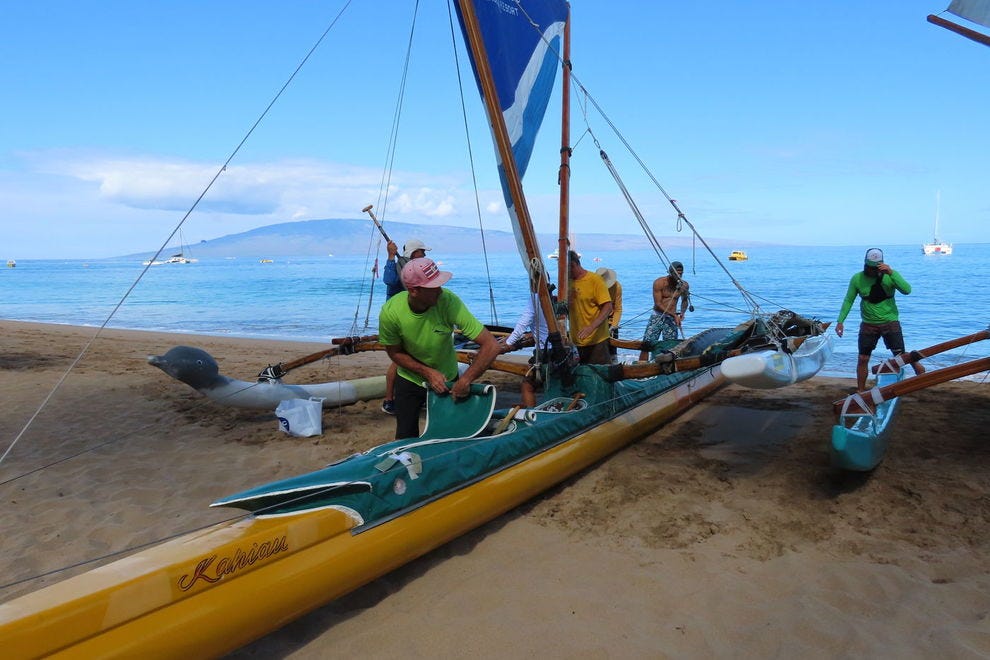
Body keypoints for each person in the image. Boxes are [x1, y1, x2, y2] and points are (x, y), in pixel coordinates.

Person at [378, 257, 501, 439]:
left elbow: (491, 345)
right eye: (433, 286)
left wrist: (466, 380)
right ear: (413, 291)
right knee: (405, 438)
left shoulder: (448, 301)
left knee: (451, 435)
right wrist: (427, 372)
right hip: (409, 378)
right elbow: (394, 353)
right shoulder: (391, 312)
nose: (440, 290)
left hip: (448, 379)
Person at [836, 247, 925, 392]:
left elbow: (907, 290)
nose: (871, 270)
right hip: (868, 324)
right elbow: (848, 300)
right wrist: (840, 321)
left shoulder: (890, 275)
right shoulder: (857, 278)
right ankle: (860, 390)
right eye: (869, 267)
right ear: (865, 264)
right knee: (863, 358)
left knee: (899, 355)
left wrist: (891, 273)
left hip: (890, 321)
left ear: (881, 265)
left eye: (875, 267)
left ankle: (915, 363)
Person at [380, 238, 430, 415]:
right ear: (414, 253)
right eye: (422, 251)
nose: (424, 254)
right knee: (400, 358)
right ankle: (389, 399)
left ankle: (417, 395)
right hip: (398, 318)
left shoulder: (415, 267)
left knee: (412, 356)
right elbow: (389, 280)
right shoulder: (399, 265)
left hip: (412, 317)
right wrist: (390, 256)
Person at [500, 288, 554, 407]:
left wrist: (509, 343)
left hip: (546, 352)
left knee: (527, 385)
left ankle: (530, 412)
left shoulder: (535, 298)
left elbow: (523, 323)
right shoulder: (552, 298)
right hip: (555, 347)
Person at [567, 251, 613, 365]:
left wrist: (591, 327)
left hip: (596, 341)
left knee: (600, 375)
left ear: (574, 265)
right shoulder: (567, 282)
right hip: (577, 340)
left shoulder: (595, 280)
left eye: (566, 268)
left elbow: (607, 307)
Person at [639, 261, 690, 362]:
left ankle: (664, 368)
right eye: (677, 273)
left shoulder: (684, 285)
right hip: (657, 316)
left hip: (671, 319)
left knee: (670, 345)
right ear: (670, 272)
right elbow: (658, 303)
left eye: (681, 273)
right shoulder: (660, 283)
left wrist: (682, 313)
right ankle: (641, 365)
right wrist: (674, 315)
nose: (679, 275)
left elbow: (684, 301)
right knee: (647, 344)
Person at [595, 267, 622, 361]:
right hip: (596, 321)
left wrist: (614, 325)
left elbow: (618, 308)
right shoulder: (592, 286)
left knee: (613, 353)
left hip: (610, 321)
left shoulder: (617, 286)